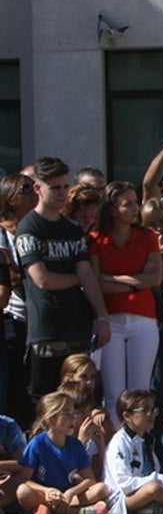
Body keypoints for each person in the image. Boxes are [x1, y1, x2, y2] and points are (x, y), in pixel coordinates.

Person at [15, 157, 110, 402]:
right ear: (38, 188)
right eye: (55, 187)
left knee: (81, 401)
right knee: (46, 404)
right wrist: (78, 278)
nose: (62, 193)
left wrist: (101, 316)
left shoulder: (72, 229)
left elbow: (88, 274)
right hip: (47, 332)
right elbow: (42, 279)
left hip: (77, 328)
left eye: (65, 186)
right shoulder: (29, 228)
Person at [89, 180, 163, 425]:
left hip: (143, 319)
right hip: (111, 320)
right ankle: (114, 450)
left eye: (136, 203)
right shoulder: (97, 239)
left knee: (140, 392)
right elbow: (95, 282)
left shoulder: (148, 236)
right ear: (112, 209)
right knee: (114, 394)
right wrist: (134, 282)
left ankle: (139, 448)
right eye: (127, 204)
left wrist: (116, 280)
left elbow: (154, 278)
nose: (135, 208)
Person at [16, 391, 112, 514]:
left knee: (101, 489)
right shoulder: (37, 443)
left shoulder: (76, 445)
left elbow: (90, 480)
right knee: (23, 492)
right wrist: (46, 491)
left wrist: (71, 492)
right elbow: (25, 479)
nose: (72, 418)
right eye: (66, 414)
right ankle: (75, 513)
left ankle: (51, 510)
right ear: (51, 419)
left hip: (68, 495)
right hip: (46, 495)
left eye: (73, 414)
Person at [104, 389, 163, 514]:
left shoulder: (146, 439)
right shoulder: (120, 442)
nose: (151, 415)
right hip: (121, 499)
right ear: (127, 416)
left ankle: (152, 508)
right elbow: (124, 483)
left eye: (153, 410)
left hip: (142, 490)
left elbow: (153, 470)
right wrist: (161, 479)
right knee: (154, 489)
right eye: (145, 410)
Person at [0, 172, 35, 425]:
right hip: (11, 317)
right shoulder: (2, 234)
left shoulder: (38, 228)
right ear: (10, 197)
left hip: (35, 316)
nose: (34, 192)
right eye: (26, 189)